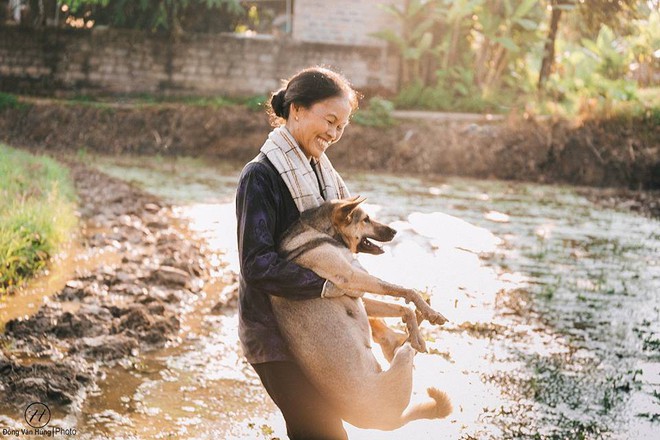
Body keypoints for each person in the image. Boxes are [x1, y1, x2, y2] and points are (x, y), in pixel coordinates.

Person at [235, 67, 359, 440]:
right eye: (330, 120)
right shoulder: (260, 176)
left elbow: (334, 237)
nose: (335, 133)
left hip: (317, 329)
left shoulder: (322, 174)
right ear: (298, 110)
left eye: (342, 126)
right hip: (273, 336)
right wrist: (326, 284)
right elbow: (256, 264)